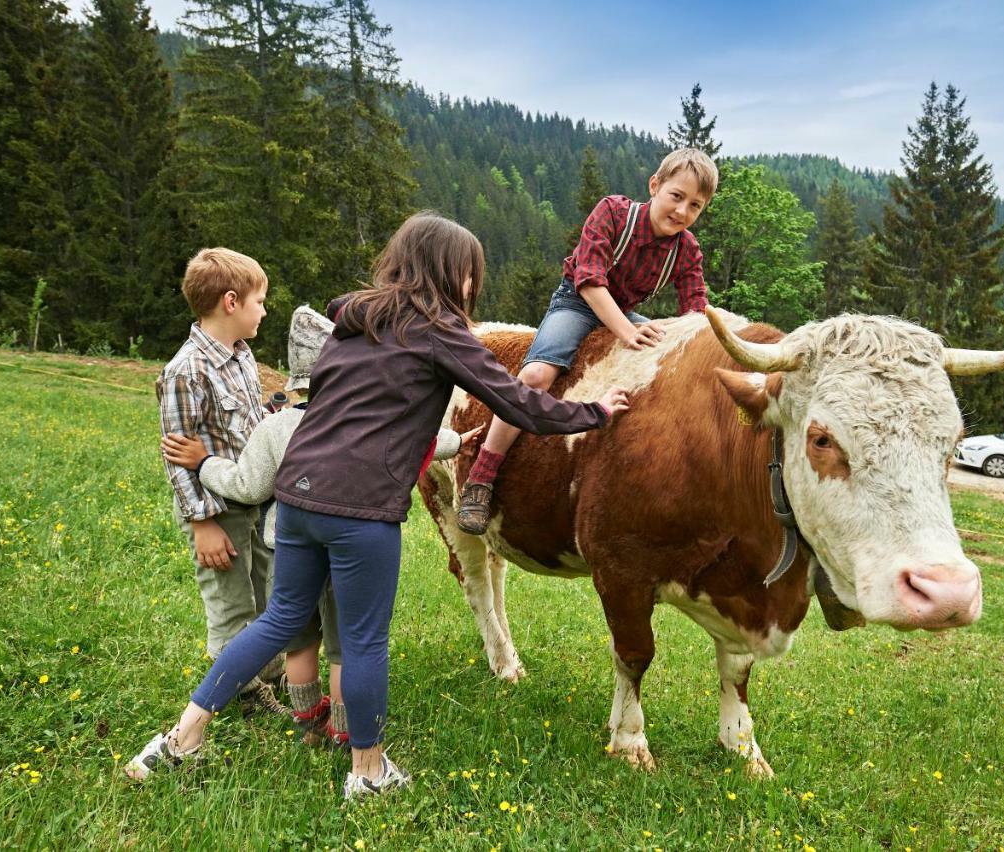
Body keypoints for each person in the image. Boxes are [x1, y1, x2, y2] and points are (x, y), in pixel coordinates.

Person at [126, 212, 630, 800]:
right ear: (452, 274)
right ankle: (367, 772)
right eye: (470, 275)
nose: (473, 288)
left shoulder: (351, 321)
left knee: (280, 619)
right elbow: (518, 401)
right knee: (363, 640)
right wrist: (594, 412)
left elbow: (355, 411)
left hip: (296, 496)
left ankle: (180, 741)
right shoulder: (440, 330)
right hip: (359, 512)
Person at [160, 305, 480, 747]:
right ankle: (344, 731)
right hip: (351, 551)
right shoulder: (368, 422)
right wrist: (461, 442)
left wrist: (205, 463)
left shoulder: (278, 426)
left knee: (297, 640)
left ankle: (308, 722)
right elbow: (422, 438)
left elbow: (247, 486)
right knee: (346, 649)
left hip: (289, 550)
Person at [456, 147, 719, 534]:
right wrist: (627, 333)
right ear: (655, 186)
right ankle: (482, 474)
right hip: (578, 302)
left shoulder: (687, 250)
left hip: (625, 312)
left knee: (670, 361)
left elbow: (696, 314)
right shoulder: (612, 212)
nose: (682, 212)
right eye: (676, 197)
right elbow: (591, 280)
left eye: (695, 206)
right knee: (536, 377)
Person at [156, 247, 285, 715]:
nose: (265, 310)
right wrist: (202, 524)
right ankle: (244, 694)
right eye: (260, 301)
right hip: (217, 509)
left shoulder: (242, 355)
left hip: (252, 495)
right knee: (232, 604)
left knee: (266, 589)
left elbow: (247, 425)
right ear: (231, 302)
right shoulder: (185, 371)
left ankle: (269, 672)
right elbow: (176, 455)